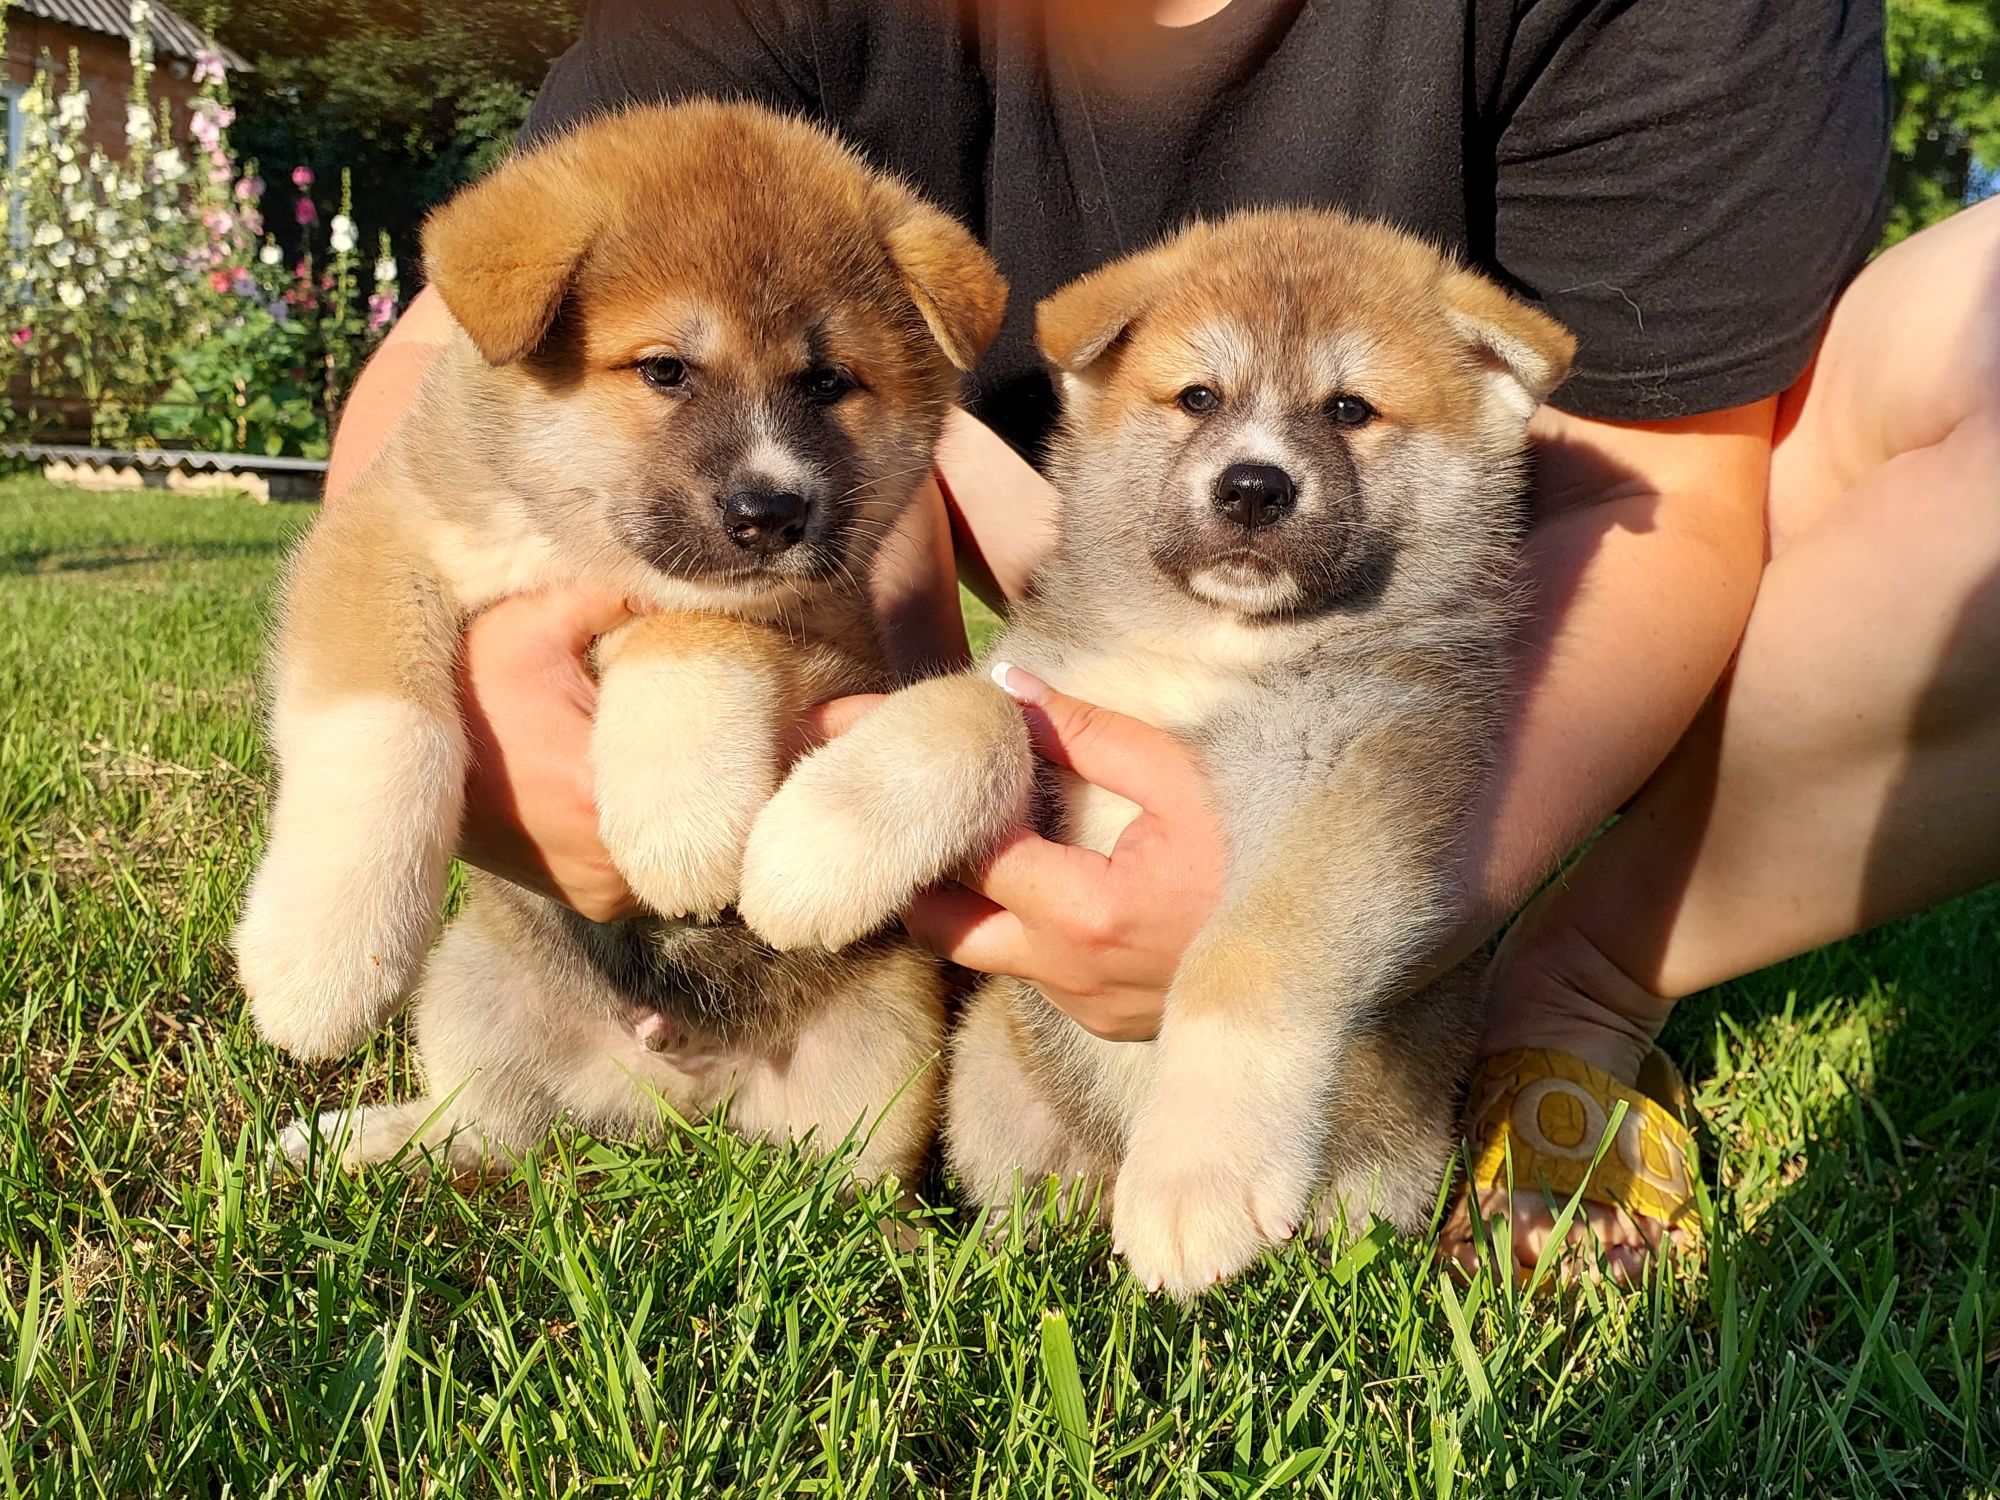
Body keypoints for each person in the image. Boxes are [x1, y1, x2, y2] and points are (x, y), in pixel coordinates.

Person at [326, 0, 2000, 1283]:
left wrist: (1343, 923)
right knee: (871, 466)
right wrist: (463, 697)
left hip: (1511, 602)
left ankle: (1583, 975)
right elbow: (471, 361)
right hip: (1027, 608)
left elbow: (1661, 492)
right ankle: (929, 923)